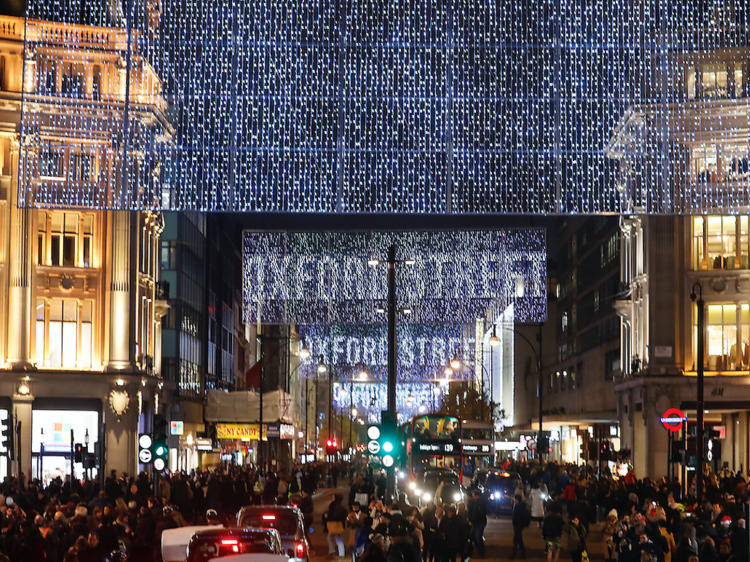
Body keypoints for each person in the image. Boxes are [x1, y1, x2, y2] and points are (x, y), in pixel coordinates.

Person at [325, 493, 349, 558]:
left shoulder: (335, 506)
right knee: (332, 538)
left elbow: (335, 516)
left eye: (333, 497)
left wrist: (328, 516)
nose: (332, 499)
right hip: (336, 524)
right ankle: (334, 551)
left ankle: (340, 553)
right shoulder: (336, 505)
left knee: (337, 538)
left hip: (335, 525)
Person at [511, 494, 531, 560]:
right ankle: (523, 554)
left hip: (518, 526)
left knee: (516, 540)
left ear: (516, 500)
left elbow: (524, 517)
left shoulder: (519, 507)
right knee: (519, 540)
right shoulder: (520, 506)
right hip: (518, 525)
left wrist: (520, 524)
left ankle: (514, 555)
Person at [468, 490, 487, 558]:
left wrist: (472, 521)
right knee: (472, 535)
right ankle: (479, 549)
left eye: (473, 495)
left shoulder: (480, 503)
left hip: (479, 522)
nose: (473, 497)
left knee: (478, 537)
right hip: (477, 522)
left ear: (477, 496)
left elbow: (479, 514)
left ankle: (481, 552)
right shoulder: (477, 502)